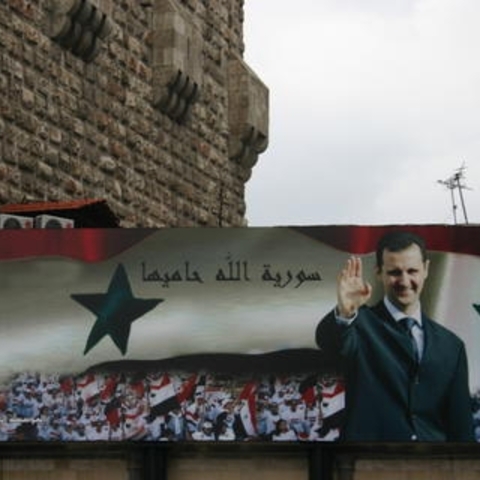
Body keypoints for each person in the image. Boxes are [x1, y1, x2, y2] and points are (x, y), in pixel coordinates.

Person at [316, 230, 474, 442]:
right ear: (379, 272)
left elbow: (461, 427)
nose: (404, 280)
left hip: (432, 466)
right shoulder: (359, 324)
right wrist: (345, 312)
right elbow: (329, 340)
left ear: (426, 269)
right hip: (369, 464)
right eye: (394, 272)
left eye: (412, 271)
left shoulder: (451, 345)